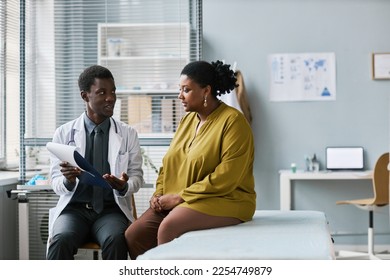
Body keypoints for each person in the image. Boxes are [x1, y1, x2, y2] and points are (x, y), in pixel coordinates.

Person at [125, 60, 256, 260]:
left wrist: (179, 197)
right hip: (180, 198)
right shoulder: (187, 120)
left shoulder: (234, 122)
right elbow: (169, 163)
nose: (180, 96)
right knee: (135, 234)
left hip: (226, 199)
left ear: (206, 91)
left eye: (186, 90)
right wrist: (159, 193)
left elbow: (227, 177)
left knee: (169, 227)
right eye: (180, 89)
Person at [46, 65, 144, 260]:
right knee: (60, 239)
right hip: (74, 211)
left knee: (116, 239)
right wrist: (68, 181)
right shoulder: (64, 133)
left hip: (110, 212)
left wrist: (124, 186)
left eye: (113, 91)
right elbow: (55, 182)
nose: (111, 98)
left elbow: (137, 177)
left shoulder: (128, 134)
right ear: (85, 96)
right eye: (102, 92)